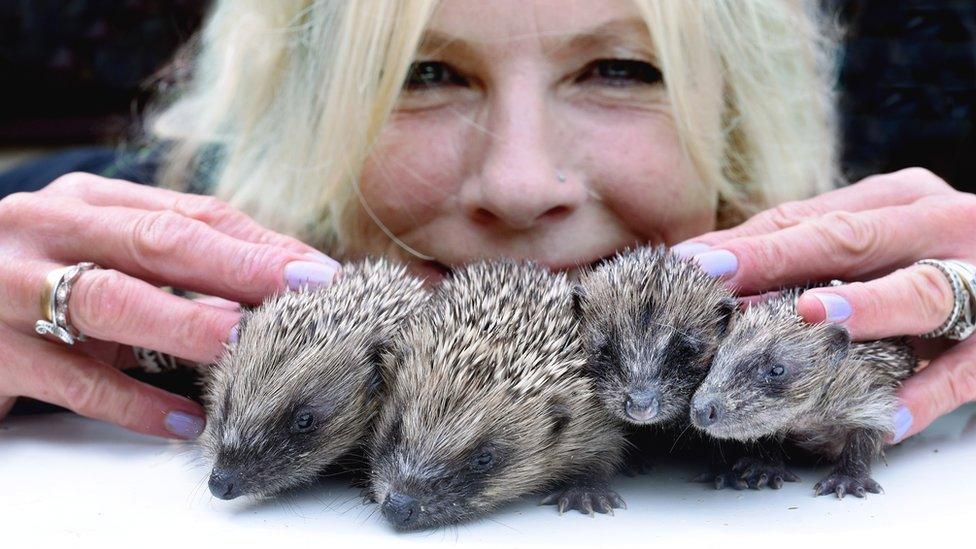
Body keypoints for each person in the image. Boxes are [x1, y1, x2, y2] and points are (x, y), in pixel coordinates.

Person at [0, 0, 972, 445]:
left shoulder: (905, 245)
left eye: (620, 71)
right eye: (426, 75)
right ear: (309, 115)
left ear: (735, 118)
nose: (516, 185)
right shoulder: (136, 228)